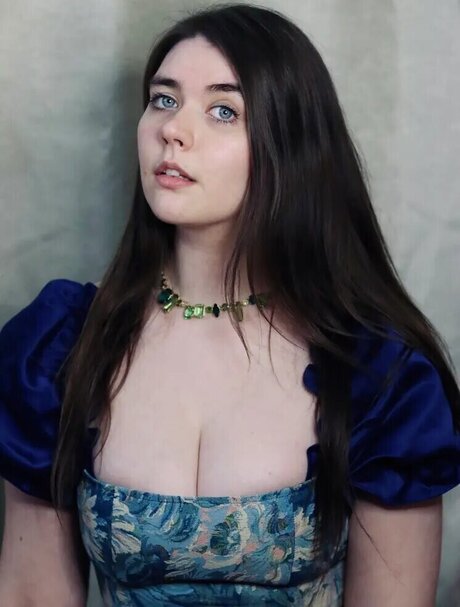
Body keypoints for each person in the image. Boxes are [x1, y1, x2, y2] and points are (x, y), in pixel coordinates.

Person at [1, 3, 459, 606]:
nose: (173, 129)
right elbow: (30, 595)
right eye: (163, 99)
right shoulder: (62, 347)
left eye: (223, 110)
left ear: (289, 145)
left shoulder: (377, 373)